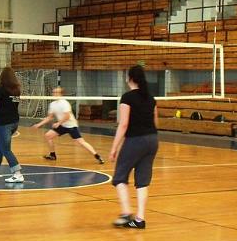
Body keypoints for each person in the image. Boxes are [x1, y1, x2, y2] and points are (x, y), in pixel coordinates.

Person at [110, 65, 159, 229]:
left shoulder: (127, 97)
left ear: (129, 78)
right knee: (142, 181)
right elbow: (156, 122)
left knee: (119, 177)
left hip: (135, 140)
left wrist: (114, 147)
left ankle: (126, 214)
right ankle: (139, 219)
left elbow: (123, 124)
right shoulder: (151, 99)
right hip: (152, 140)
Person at [33, 87, 104, 164]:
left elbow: (67, 116)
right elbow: (49, 117)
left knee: (81, 142)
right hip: (62, 125)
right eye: (54, 92)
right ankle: (52, 155)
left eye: (57, 92)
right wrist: (39, 124)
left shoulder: (65, 103)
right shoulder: (52, 104)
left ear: (61, 94)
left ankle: (97, 156)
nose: (55, 94)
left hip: (71, 126)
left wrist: (58, 123)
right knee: (48, 135)